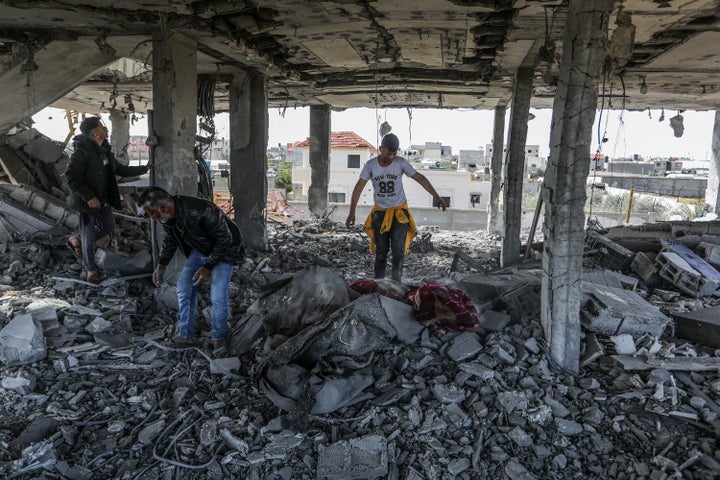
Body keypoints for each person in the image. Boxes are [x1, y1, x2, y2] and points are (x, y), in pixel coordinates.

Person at [138, 186, 244, 355]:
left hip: (226, 250)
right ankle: (186, 334)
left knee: (218, 297)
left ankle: (218, 339)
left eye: (152, 213)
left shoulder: (202, 210)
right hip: (200, 249)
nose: (152, 218)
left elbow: (225, 239)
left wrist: (207, 266)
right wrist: (161, 265)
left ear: (164, 208)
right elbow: (170, 240)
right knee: (184, 289)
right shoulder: (167, 217)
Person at [346, 133, 446, 281]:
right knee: (381, 252)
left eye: (394, 154)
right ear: (380, 149)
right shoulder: (371, 165)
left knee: (398, 252)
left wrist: (436, 197)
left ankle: (396, 283)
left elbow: (420, 178)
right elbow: (358, 188)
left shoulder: (401, 163)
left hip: (400, 212)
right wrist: (351, 212)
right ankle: (378, 283)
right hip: (380, 213)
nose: (391, 157)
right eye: (388, 154)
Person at [64, 116, 151, 284]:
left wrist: (145, 168)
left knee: (109, 226)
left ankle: (76, 239)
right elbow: (71, 178)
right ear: (96, 133)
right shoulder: (81, 153)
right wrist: (89, 197)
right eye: (103, 128)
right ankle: (90, 269)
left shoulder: (104, 151)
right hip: (86, 203)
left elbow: (121, 170)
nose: (106, 129)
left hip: (103, 199)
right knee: (89, 237)